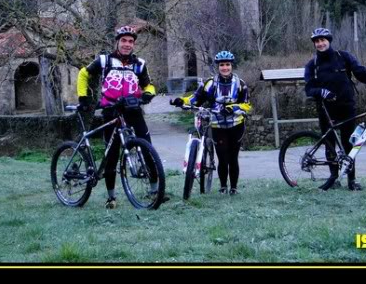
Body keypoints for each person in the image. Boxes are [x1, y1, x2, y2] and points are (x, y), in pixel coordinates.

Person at [76, 25, 159, 208]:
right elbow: (83, 74)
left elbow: (149, 85)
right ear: (117, 42)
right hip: (111, 111)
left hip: (133, 110)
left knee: (147, 149)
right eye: (124, 41)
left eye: (131, 41)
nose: (127, 44)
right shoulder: (104, 60)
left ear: (134, 44)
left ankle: (155, 191)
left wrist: (147, 94)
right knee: (112, 154)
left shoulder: (140, 64)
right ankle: (111, 197)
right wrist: (83, 97)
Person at [304, 27, 366, 191]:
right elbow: (309, 89)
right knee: (329, 144)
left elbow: (363, 74)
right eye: (317, 41)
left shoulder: (343, 57)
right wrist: (321, 92)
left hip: (347, 106)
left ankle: (351, 180)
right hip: (326, 109)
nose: (320, 43)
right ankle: (333, 178)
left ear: (329, 41)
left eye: (323, 40)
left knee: (349, 144)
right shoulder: (312, 64)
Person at [170, 51, 251, 196]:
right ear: (218, 66)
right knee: (222, 157)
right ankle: (222, 187)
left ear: (231, 66)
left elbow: (246, 105)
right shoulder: (210, 84)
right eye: (222, 65)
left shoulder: (240, 84)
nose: (225, 68)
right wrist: (182, 101)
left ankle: (233, 188)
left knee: (233, 157)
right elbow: (196, 98)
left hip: (236, 125)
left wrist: (232, 108)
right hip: (217, 125)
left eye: (227, 65)